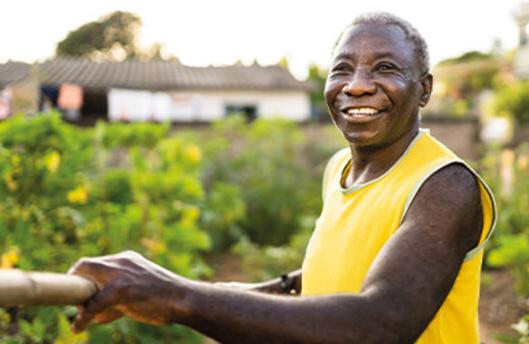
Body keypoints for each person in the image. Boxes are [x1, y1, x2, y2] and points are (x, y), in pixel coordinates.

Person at [69, 11, 496, 343]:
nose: (358, 85)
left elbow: (379, 324)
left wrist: (174, 295)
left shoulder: (445, 185)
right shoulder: (340, 170)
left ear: (424, 89)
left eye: (384, 68)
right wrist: (147, 290)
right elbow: (328, 275)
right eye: (342, 69)